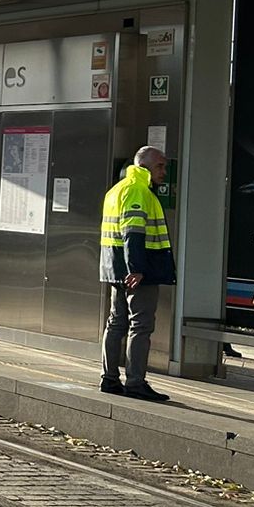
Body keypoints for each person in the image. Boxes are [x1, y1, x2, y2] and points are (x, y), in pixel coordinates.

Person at [98, 145, 174, 403]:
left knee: (116, 322)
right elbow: (133, 234)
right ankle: (135, 382)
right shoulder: (138, 191)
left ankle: (109, 379)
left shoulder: (117, 189)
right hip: (138, 272)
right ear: (144, 167)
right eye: (160, 166)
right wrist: (137, 270)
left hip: (114, 268)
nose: (164, 171)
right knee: (140, 326)